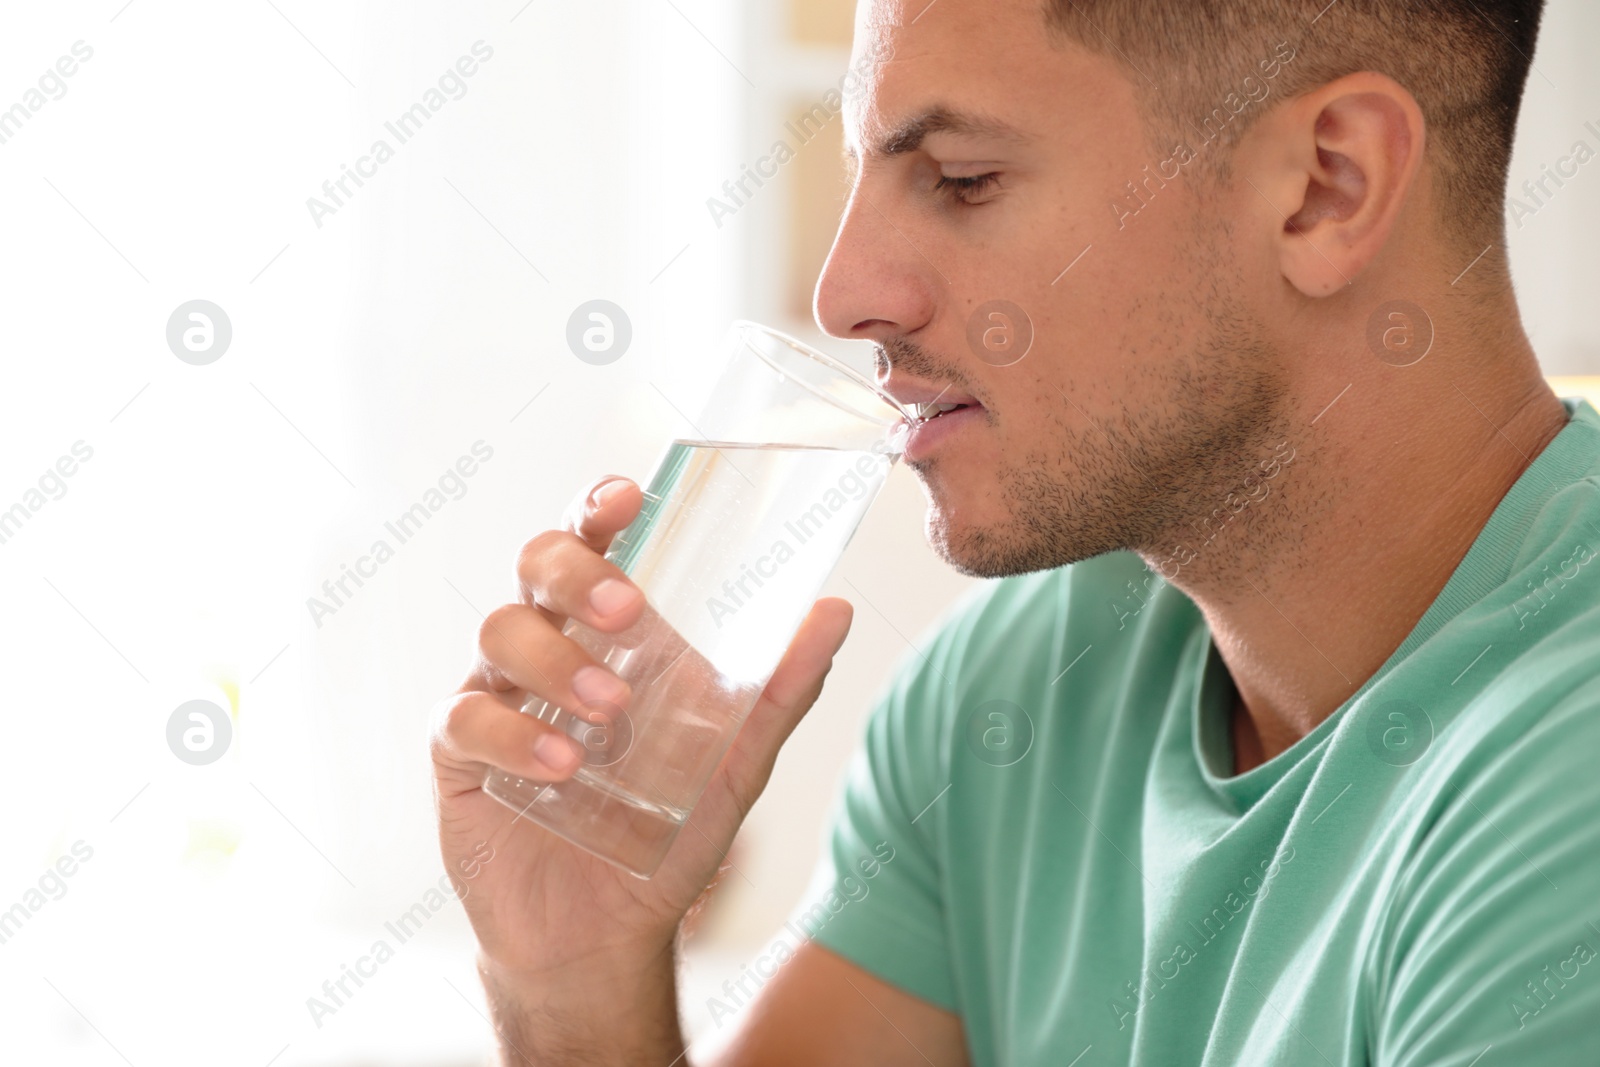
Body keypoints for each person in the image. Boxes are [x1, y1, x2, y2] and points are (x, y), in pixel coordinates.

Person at [430, 0, 1600, 1061]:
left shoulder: (1566, 793)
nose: (844, 294)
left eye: (960, 178)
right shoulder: (1014, 688)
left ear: (1325, 185)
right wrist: (572, 982)